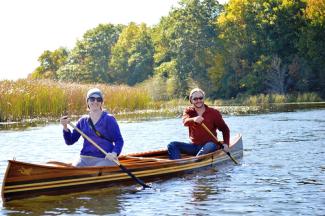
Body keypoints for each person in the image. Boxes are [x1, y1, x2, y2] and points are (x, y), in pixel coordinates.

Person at [60, 88, 124, 167]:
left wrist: (114, 154)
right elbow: (70, 141)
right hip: (85, 158)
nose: (95, 102)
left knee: (96, 170)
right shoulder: (83, 121)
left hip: (105, 158)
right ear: (87, 102)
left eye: (98, 99)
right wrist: (65, 127)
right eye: (92, 99)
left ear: (101, 102)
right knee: (75, 168)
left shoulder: (109, 119)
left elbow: (119, 140)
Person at [167, 88, 230, 159]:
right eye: (195, 99)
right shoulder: (188, 111)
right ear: (191, 100)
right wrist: (194, 119)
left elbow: (225, 129)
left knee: (210, 145)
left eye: (200, 98)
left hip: (210, 146)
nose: (198, 101)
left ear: (203, 99)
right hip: (193, 147)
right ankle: (177, 164)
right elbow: (185, 122)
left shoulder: (214, 113)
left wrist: (226, 144)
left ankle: (194, 161)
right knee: (172, 145)